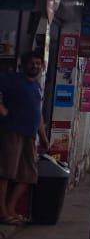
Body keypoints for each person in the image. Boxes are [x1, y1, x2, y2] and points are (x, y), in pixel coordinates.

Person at [0, 50, 51, 225]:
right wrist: (2, 109)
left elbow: (39, 115)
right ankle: (3, 212)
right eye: (32, 63)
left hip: (30, 136)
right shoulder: (11, 79)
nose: (35, 66)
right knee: (6, 173)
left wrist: (43, 137)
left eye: (38, 63)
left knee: (28, 175)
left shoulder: (37, 86)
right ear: (23, 64)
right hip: (11, 132)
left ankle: (11, 209)